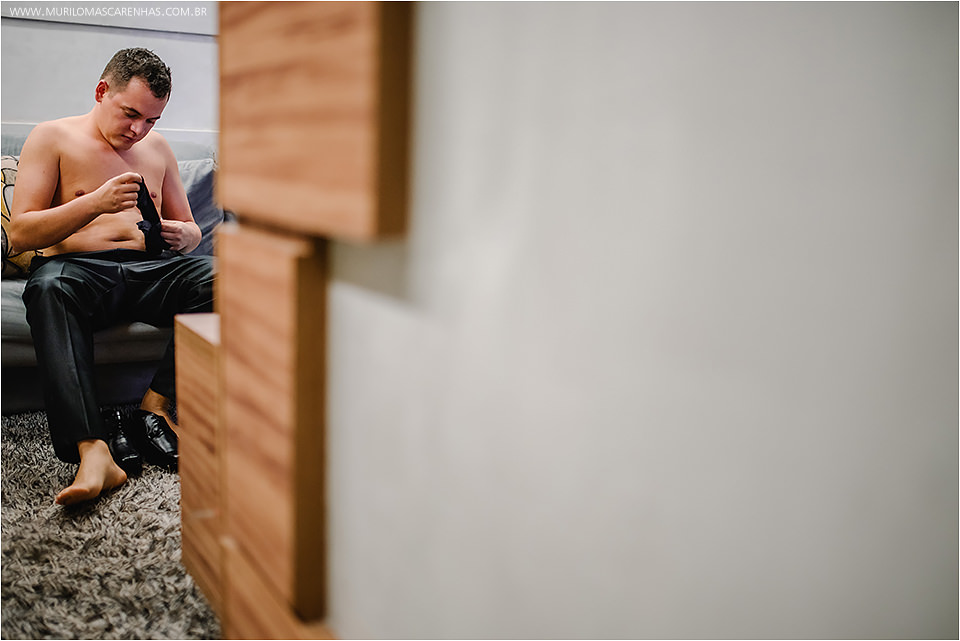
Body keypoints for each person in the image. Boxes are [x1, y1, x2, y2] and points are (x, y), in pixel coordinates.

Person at [9, 48, 214, 506]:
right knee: (48, 288)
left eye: (152, 120)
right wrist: (94, 204)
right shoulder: (52, 137)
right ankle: (93, 449)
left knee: (231, 279)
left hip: (151, 270)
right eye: (131, 114)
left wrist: (188, 235)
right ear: (102, 91)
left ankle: (155, 407)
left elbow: (190, 227)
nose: (139, 130)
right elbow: (21, 233)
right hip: (79, 271)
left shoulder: (158, 150)